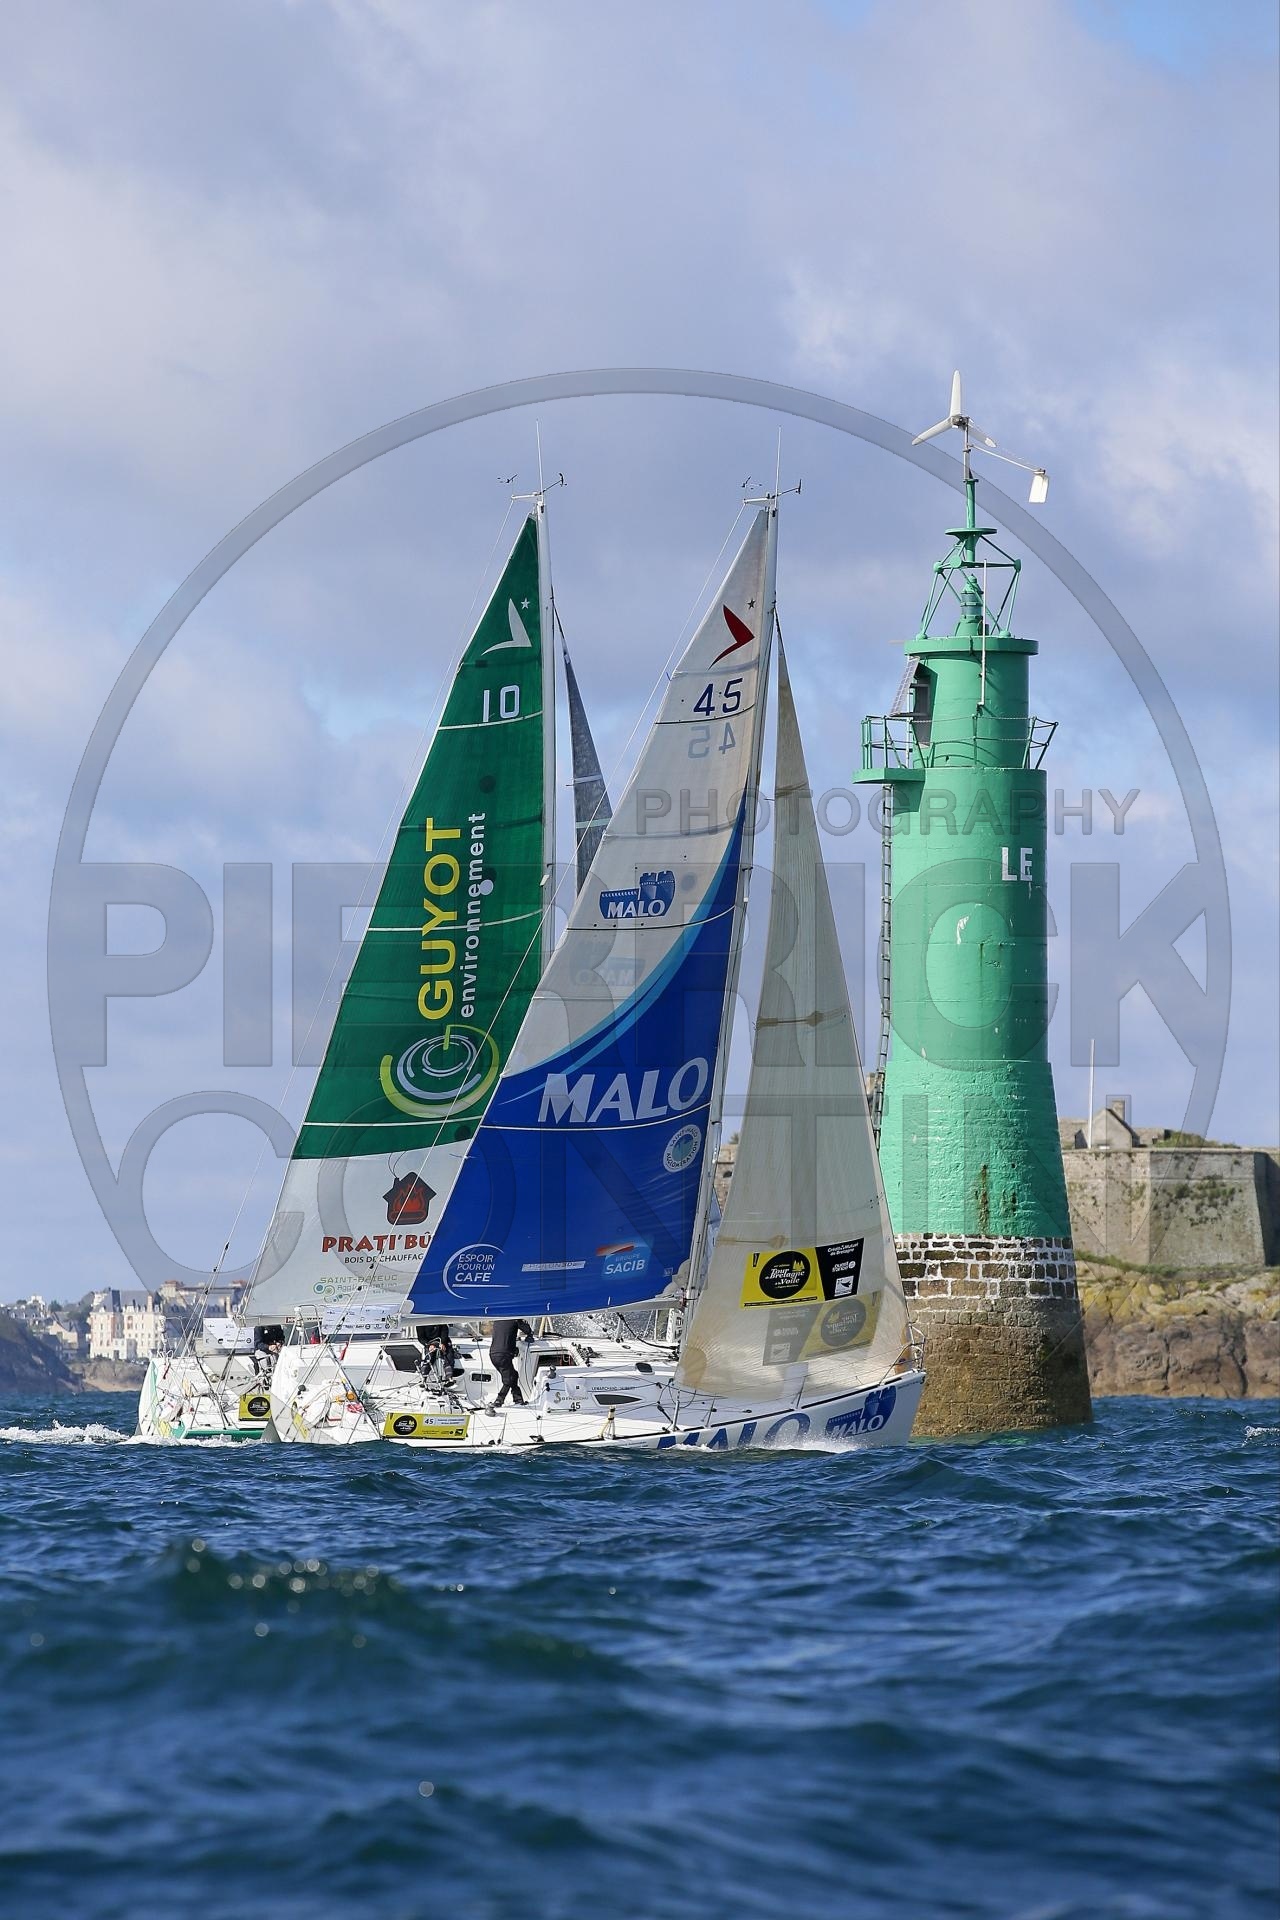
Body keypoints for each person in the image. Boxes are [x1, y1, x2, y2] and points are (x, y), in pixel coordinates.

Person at [488, 1318, 533, 1406]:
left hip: (493, 1354)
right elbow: (527, 1330)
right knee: (508, 1379)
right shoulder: (514, 1319)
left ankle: (518, 1399)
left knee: (513, 1375)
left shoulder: (497, 1320)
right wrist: (529, 1332)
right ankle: (499, 1400)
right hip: (504, 1355)